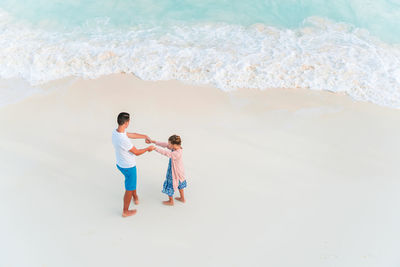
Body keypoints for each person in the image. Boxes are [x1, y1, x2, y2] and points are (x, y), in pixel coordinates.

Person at [112, 112, 155, 217]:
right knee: (129, 189)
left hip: (120, 164)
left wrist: (145, 136)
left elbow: (131, 134)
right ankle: (125, 211)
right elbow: (136, 152)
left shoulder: (116, 132)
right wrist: (148, 149)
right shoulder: (124, 140)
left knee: (131, 183)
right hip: (128, 167)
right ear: (126, 122)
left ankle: (135, 196)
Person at [149, 135, 187, 206]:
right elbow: (165, 145)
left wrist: (155, 148)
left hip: (174, 172)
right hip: (179, 171)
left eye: (170, 143)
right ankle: (182, 198)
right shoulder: (177, 148)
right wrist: (153, 141)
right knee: (180, 184)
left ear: (174, 145)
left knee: (170, 184)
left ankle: (171, 201)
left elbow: (166, 153)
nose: (168, 144)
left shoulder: (177, 153)